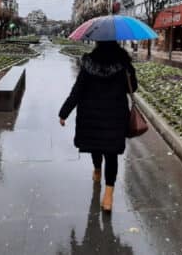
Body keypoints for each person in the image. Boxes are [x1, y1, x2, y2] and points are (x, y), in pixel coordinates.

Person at [58, 40, 138, 213]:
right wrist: (128, 70)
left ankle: (97, 170)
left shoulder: (89, 63)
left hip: (91, 114)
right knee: (111, 153)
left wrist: (64, 112)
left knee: (96, 145)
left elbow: (77, 90)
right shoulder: (123, 62)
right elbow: (133, 88)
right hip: (115, 115)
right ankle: (108, 196)